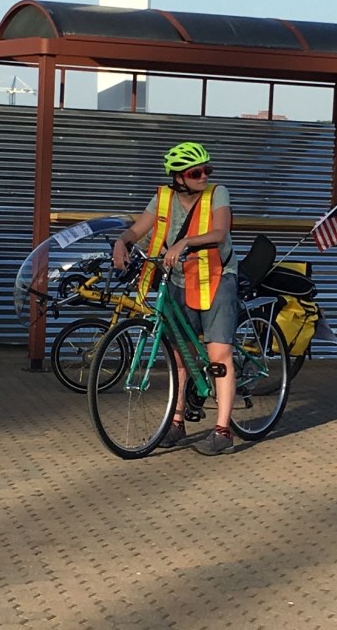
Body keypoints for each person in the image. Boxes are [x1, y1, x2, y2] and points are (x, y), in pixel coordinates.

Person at [112, 141, 239, 456]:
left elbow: (220, 232)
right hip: (180, 278)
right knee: (181, 356)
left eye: (207, 170)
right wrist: (121, 242)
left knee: (219, 353)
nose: (204, 176)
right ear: (178, 177)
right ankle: (177, 421)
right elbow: (138, 230)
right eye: (196, 173)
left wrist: (184, 243)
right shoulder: (163, 197)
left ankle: (223, 430)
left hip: (217, 275)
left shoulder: (217, 194)